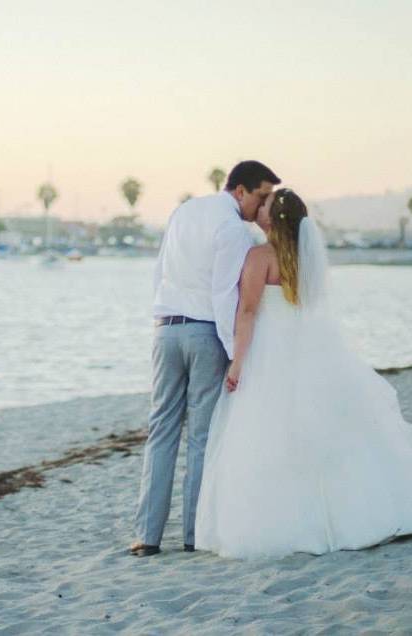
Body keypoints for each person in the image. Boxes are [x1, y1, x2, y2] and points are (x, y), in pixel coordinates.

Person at [195, 188, 412, 559]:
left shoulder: (260, 257)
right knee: (324, 436)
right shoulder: (307, 258)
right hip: (307, 351)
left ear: (270, 218)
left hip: (270, 353)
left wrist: (236, 362)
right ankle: (350, 516)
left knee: (271, 438)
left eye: (263, 205)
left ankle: (292, 522)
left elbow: (246, 313)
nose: (258, 208)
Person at [129, 161, 280, 557]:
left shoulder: (184, 210)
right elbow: (223, 295)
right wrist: (235, 355)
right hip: (203, 332)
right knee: (200, 436)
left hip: (165, 329)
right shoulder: (233, 230)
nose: (263, 206)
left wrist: (160, 316)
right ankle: (194, 534)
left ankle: (147, 536)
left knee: (160, 431)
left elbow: (159, 269)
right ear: (241, 191)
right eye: (261, 196)